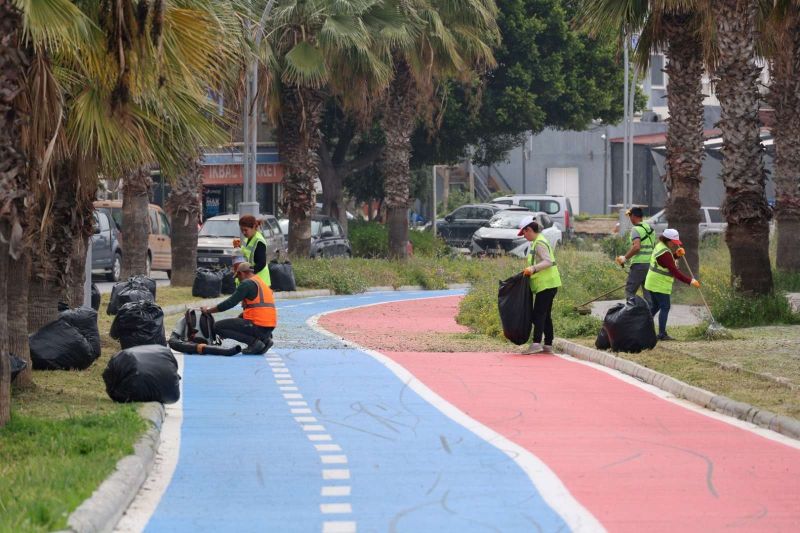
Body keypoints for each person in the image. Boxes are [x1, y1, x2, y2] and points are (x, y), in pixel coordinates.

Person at [201, 262, 276, 354]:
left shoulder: (247, 284)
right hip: (269, 327)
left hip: (257, 325)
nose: (238, 280)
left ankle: (254, 343)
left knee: (217, 327)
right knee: (234, 323)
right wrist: (232, 326)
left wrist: (208, 311)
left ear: (242, 273)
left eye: (238, 277)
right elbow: (257, 309)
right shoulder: (261, 283)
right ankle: (265, 340)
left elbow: (230, 303)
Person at [644, 228, 701, 341]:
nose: (675, 245)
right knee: (665, 307)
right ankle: (662, 334)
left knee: (655, 306)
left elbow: (665, 262)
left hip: (652, 282)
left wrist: (676, 255)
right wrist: (690, 281)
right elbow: (674, 271)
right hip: (659, 284)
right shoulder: (664, 252)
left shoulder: (661, 246)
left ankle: (642, 327)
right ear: (667, 240)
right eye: (673, 243)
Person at [519, 216, 562, 354]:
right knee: (545, 314)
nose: (524, 236)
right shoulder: (537, 241)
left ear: (529, 229)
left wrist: (533, 269)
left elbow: (548, 261)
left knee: (538, 314)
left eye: (524, 233)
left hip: (547, 284)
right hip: (548, 284)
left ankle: (536, 343)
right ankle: (548, 344)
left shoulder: (539, 243)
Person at [615, 207, 656, 303]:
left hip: (639, 265)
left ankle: (631, 314)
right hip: (650, 265)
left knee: (630, 291)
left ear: (633, 216)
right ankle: (649, 316)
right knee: (648, 293)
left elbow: (637, 247)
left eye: (630, 216)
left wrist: (625, 258)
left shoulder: (636, 229)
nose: (630, 219)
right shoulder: (650, 229)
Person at [238, 215, 271, 286]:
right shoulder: (250, 239)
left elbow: (261, 263)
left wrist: (248, 272)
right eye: (242, 230)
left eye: (245, 230)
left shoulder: (259, 241)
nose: (243, 232)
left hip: (260, 280)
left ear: (253, 227)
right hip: (254, 280)